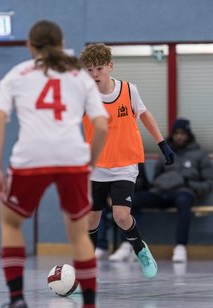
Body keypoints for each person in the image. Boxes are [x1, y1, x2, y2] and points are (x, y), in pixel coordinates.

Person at [0, 20, 109, 308]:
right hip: (71, 159)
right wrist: (89, 165)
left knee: (11, 222)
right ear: (61, 42)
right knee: (79, 234)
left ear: (30, 46)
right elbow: (102, 124)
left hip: (30, 158)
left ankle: (16, 298)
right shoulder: (79, 77)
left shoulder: (16, 74)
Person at [79, 43, 174, 279]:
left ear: (110, 66)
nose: (94, 74)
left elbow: (144, 114)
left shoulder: (128, 90)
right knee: (91, 219)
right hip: (96, 167)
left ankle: (140, 249)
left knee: (122, 216)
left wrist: (162, 143)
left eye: (99, 68)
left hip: (124, 165)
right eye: (89, 70)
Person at [131, 118, 213, 262]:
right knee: (133, 201)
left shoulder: (199, 155)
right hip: (160, 192)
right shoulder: (166, 153)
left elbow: (208, 183)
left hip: (183, 192)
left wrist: (189, 185)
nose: (179, 136)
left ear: (188, 134)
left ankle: (180, 246)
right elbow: (156, 177)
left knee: (184, 200)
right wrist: (161, 184)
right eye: (176, 133)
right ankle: (131, 246)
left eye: (182, 133)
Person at [95, 163, 150, 261]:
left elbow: (143, 183)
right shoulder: (105, 160)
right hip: (111, 194)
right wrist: (109, 195)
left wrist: (121, 196)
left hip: (131, 193)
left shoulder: (135, 161)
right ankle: (101, 246)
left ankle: (129, 245)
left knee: (127, 211)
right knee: (98, 210)